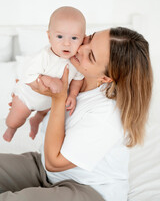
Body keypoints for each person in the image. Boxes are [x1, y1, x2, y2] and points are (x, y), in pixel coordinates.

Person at [0, 27, 153, 201]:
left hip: (87, 190)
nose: (80, 49)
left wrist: (58, 98)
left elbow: (54, 163)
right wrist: (29, 99)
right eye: (89, 39)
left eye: (91, 56)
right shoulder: (74, 72)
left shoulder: (107, 116)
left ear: (106, 78)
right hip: (44, 170)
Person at [3, 6, 85, 142]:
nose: (66, 43)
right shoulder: (44, 57)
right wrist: (47, 81)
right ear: (49, 36)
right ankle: (11, 129)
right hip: (27, 98)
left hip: (49, 101)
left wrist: (73, 95)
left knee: (43, 113)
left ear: (83, 39)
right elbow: (27, 76)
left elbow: (78, 79)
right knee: (15, 120)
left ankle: (36, 120)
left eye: (74, 38)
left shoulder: (77, 61)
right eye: (59, 36)